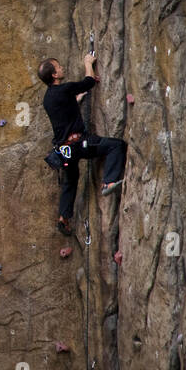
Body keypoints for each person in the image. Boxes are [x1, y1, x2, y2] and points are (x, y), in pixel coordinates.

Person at [38, 52, 126, 235]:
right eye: (58, 66)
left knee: (70, 181)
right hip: (79, 145)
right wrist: (88, 63)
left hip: (64, 151)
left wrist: (76, 99)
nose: (62, 68)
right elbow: (89, 81)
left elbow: (64, 111)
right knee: (116, 145)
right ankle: (109, 181)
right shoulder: (64, 90)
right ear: (54, 75)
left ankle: (64, 216)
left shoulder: (48, 98)